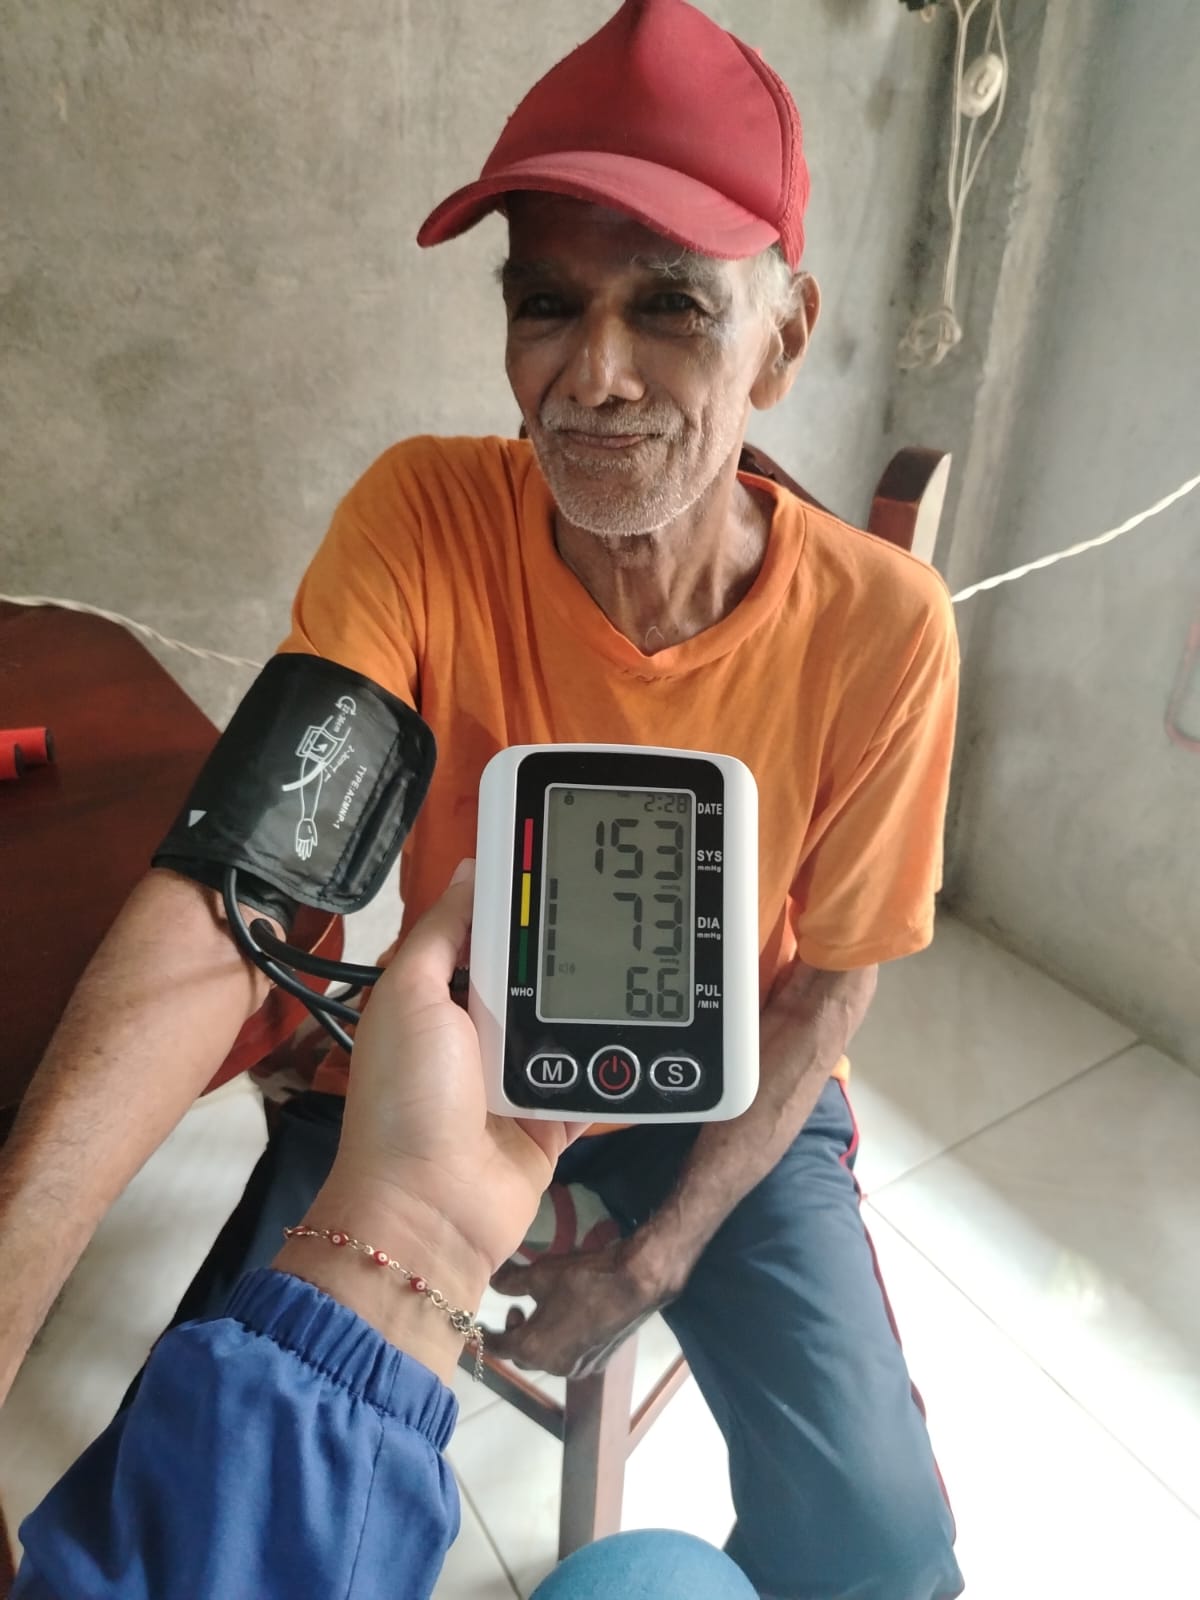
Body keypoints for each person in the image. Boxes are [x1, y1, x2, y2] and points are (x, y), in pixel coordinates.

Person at [0, 3, 964, 1596]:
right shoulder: (424, 518)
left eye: (671, 305)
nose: (594, 376)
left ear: (784, 340)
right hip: (448, 1051)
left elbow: (833, 984)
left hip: (724, 1084)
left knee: (883, 1541)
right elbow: (249, 880)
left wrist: (659, 1255)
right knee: (215, 1452)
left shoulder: (884, 630)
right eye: (545, 302)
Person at [11, 865, 757, 1598]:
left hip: (690, 1111)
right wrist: (422, 1209)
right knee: (687, 1579)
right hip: (472, 1091)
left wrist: (657, 1257)